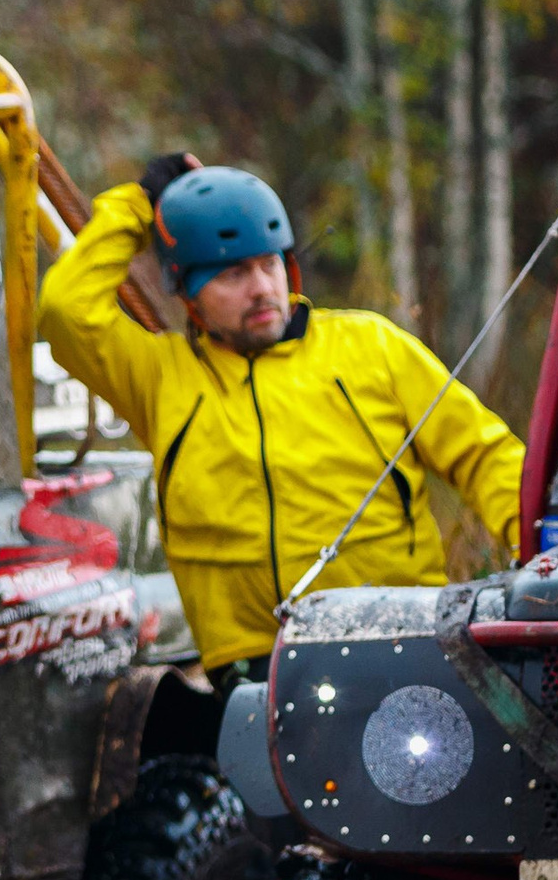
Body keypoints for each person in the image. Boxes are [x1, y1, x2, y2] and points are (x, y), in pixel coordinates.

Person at [39, 155, 525, 683]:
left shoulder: (371, 346)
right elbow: (67, 310)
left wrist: (545, 557)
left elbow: (487, 456)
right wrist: (140, 206)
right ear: (188, 291)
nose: (261, 289)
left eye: (269, 264)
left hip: (398, 638)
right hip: (251, 667)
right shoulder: (160, 379)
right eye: (232, 273)